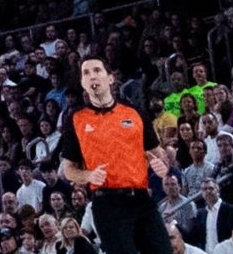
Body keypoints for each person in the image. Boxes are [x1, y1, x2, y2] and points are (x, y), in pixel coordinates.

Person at [54, 58, 172, 254]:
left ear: (110, 79)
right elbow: (68, 169)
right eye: (86, 73)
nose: (92, 75)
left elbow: (157, 152)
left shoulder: (134, 112)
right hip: (107, 204)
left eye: (97, 70)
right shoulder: (76, 119)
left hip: (141, 199)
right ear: (83, 84)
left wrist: (162, 164)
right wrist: (88, 176)